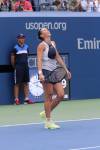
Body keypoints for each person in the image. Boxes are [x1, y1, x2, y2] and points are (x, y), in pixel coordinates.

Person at [37, 28, 71, 129]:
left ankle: (46, 112)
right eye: (44, 30)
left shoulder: (53, 43)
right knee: (49, 96)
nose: (47, 30)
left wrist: (66, 70)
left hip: (54, 71)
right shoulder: (41, 45)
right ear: (42, 35)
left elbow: (58, 57)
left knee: (61, 94)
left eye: (46, 29)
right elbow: (38, 60)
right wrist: (40, 73)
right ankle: (48, 122)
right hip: (45, 71)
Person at [11, 34, 33, 105]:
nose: (22, 39)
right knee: (17, 83)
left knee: (26, 83)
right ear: (18, 39)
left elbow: (27, 56)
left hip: (25, 67)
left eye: (23, 38)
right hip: (18, 67)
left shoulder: (27, 47)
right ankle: (16, 100)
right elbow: (12, 59)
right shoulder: (15, 48)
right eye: (20, 38)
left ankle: (26, 99)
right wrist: (16, 66)